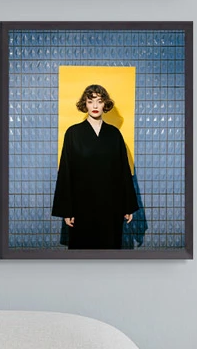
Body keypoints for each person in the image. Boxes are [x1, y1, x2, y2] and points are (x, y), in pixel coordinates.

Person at [51, 84, 138, 249]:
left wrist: (127, 205)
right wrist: (67, 210)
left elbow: (123, 171)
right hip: (81, 206)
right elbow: (65, 172)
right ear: (85, 104)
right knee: (82, 253)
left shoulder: (114, 134)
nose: (95, 106)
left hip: (110, 205)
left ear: (105, 104)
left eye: (99, 101)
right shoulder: (73, 133)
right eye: (91, 101)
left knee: (109, 251)